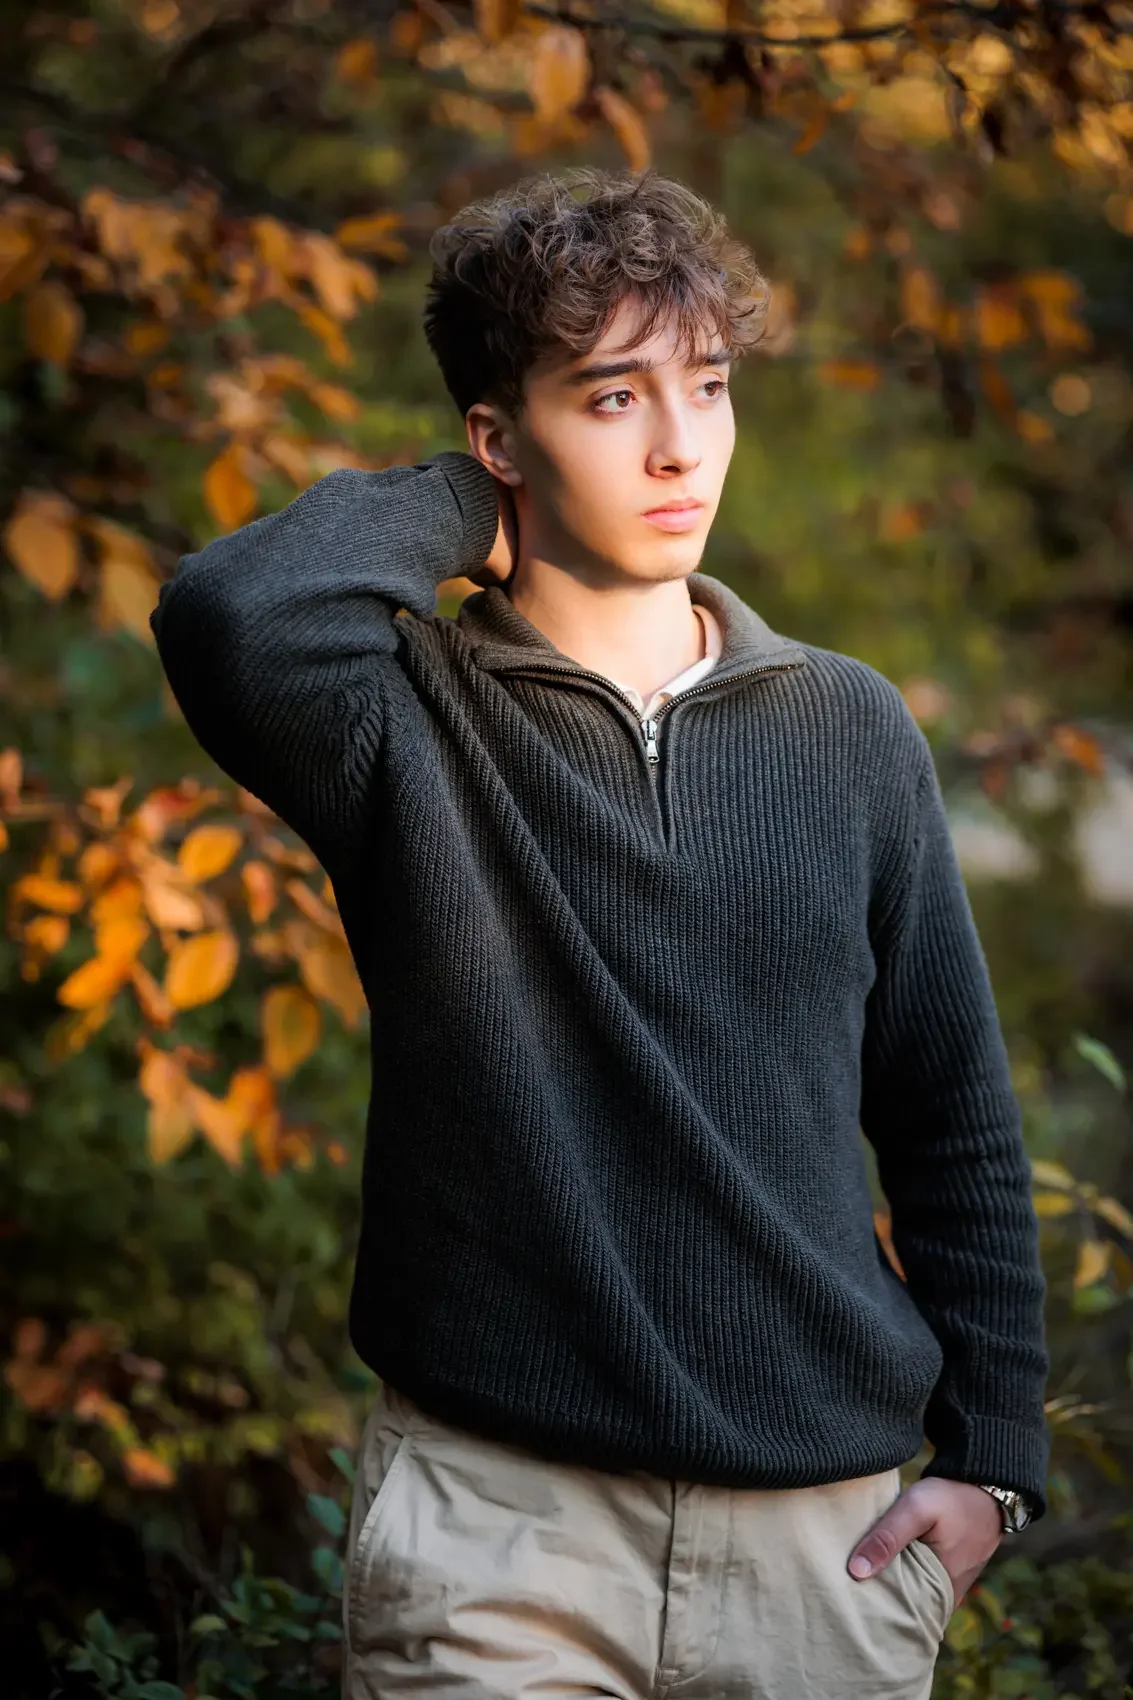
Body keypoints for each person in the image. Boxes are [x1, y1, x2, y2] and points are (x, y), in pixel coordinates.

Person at [150, 168, 1050, 1699]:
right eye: (613, 395)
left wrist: (996, 1464)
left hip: (822, 1550)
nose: (681, 444)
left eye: (708, 384)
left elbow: (952, 1118)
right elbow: (232, 610)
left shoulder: (847, 728)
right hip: (502, 1540)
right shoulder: (399, 718)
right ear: (503, 436)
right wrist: (471, 500)